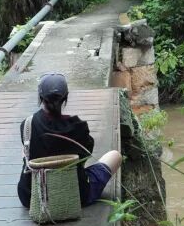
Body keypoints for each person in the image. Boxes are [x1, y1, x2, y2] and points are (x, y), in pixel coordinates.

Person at [17, 73, 121, 209]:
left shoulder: (27, 125)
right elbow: (85, 156)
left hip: (32, 197)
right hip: (76, 195)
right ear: (65, 97)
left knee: (25, 151)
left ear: (41, 98)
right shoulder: (79, 127)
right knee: (115, 156)